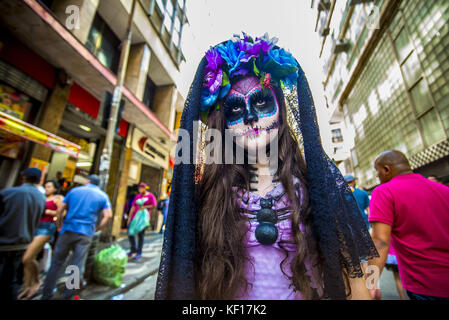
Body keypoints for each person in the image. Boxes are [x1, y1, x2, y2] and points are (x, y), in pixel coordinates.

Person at [155, 33, 378, 300]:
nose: (250, 117)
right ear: (223, 123)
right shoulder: (207, 195)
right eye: (236, 109)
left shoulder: (317, 184)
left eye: (261, 102)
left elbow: (354, 282)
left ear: (281, 111)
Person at [368, 150, 449, 300]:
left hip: (425, 285)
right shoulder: (445, 191)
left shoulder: (384, 192)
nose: (378, 176)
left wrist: (370, 283)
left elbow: (380, 241)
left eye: (377, 172)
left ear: (386, 169)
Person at [40, 174, 112, 300]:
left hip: (67, 230)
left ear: (87, 181)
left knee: (56, 263)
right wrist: (97, 228)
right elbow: (108, 215)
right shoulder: (102, 195)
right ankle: (68, 295)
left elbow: (60, 209)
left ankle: (46, 294)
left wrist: (59, 225)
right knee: (76, 265)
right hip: (85, 233)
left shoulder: (74, 191)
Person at [0, 168, 46, 300]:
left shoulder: (8, 193)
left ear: (23, 177)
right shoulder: (41, 198)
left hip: (4, 242)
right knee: (10, 281)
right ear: (38, 180)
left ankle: (73, 285)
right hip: (23, 243)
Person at [18, 180, 64, 299]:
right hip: (35, 226)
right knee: (30, 258)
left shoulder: (57, 198)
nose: (47, 188)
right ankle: (27, 287)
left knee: (27, 257)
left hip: (47, 228)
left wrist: (51, 213)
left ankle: (37, 282)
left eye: (49, 187)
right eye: (46, 186)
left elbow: (62, 213)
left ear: (55, 188)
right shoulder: (41, 197)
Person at [127, 182, 157, 261]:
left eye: (141, 188)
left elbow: (154, 205)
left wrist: (144, 207)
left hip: (143, 219)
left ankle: (139, 252)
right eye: (139, 188)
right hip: (135, 217)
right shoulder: (138, 196)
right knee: (130, 233)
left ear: (144, 188)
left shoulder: (150, 196)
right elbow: (133, 206)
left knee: (141, 235)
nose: (139, 190)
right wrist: (129, 218)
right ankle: (133, 249)